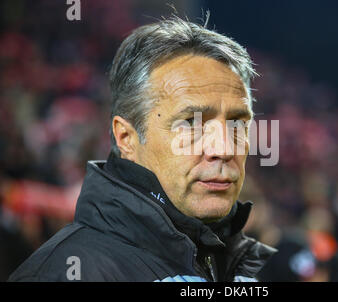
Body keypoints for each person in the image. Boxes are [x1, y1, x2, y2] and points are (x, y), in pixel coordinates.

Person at [8, 17, 276, 282]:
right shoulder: (62, 272)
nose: (225, 148)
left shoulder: (240, 267)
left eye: (237, 124)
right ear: (126, 138)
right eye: (192, 124)